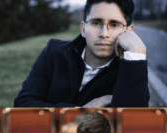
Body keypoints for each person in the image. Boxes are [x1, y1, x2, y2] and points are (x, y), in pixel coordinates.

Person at [14, 0, 149, 107]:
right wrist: (81, 112)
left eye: (114, 24)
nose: (104, 34)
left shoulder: (131, 72)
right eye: (96, 23)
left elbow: (130, 123)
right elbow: (23, 104)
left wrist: (136, 57)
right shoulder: (54, 53)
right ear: (83, 28)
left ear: (128, 32)